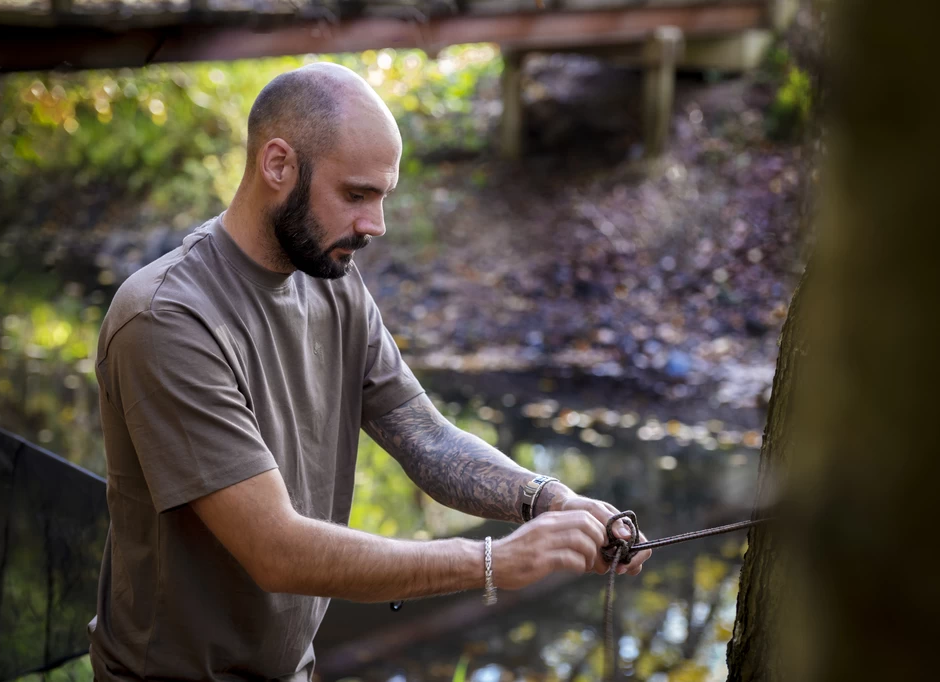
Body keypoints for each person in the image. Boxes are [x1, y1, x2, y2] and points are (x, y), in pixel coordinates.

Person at [87, 62, 651, 681]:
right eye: (356, 195)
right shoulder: (167, 318)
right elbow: (275, 550)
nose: (374, 225)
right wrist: (492, 563)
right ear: (278, 165)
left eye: (382, 197)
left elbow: (427, 439)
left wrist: (550, 500)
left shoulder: (332, 281)